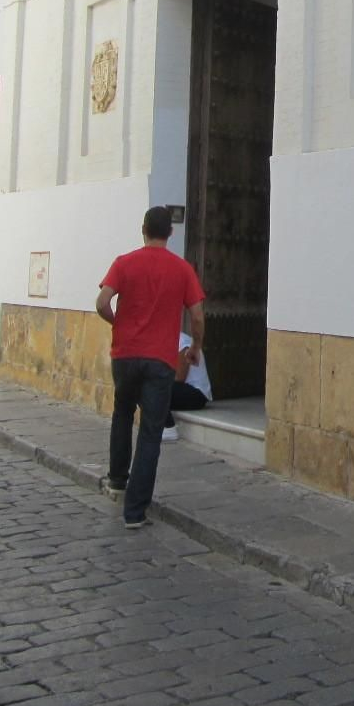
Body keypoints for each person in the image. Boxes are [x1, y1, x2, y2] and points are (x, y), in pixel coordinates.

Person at [95, 205, 205, 529]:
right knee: (150, 433)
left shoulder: (124, 263)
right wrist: (196, 347)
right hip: (159, 360)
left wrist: (117, 323)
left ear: (143, 230)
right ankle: (135, 512)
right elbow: (197, 315)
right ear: (170, 233)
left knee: (122, 414)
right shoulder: (182, 269)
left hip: (125, 355)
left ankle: (117, 480)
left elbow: (102, 302)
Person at [163, 327, 212, 443]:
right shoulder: (165, 342)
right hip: (182, 390)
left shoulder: (182, 342)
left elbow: (179, 377)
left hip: (197, 394)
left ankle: (169, 428)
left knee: (154, 389)